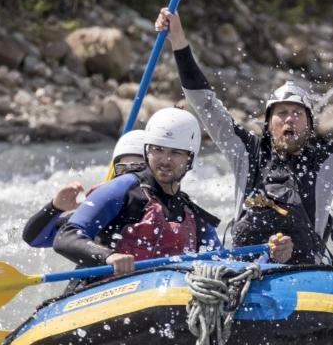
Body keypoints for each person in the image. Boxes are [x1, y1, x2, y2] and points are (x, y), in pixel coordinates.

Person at [156, 8, 333, 264]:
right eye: (281, 113)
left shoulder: (328, 161)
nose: (289, 119)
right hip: (245, 270)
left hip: (307, 273)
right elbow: (205, 104)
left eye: (297, 114)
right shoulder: (246, 152)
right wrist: (178, 41)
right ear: (268, 123)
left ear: (310, 124)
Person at [53, 108, 288, 276]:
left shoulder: (193, 215)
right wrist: (108, 256)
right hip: (102, 297)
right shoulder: (121, 190)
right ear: (147, 152)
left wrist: (269, 254)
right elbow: (66, 236)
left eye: (176, 153)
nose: (165, 160)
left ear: (190, 159)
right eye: (157, 150)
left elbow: (222, 264)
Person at [22, 129, 148, 248]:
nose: (129, 176)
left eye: (139, 168)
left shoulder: (164, 204)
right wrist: (55, 208)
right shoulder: (103, 208)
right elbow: (34, 239)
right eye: (122, 169)